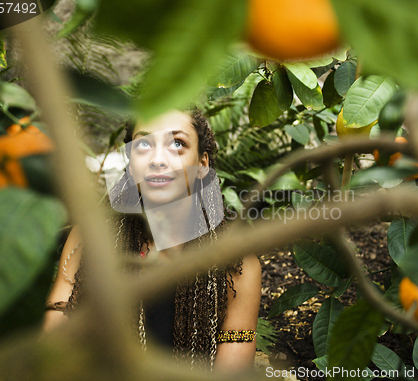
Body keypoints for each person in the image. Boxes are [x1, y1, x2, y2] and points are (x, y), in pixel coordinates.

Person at [43, 110, 262, 372]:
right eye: (143, 144)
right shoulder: (89, 239)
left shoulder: (237, 265)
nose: (158, 159)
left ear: (202, 164)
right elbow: (54, 340)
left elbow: (231, 371)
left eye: (177, 144)